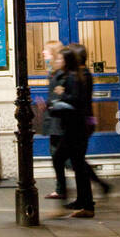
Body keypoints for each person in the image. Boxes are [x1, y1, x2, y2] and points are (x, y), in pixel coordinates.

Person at [48, 45, 94, 218]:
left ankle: (80, 201)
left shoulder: (75, 77)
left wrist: (61, 95)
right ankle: (84, 202)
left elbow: (76, 101)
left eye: (61, 58)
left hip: (75, 128)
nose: (57, 61)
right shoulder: (75, 75)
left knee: (61, 159)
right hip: (75, 127)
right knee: (78, 164)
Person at [72, 43, 111, 198]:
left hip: (83, 122)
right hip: (83, 121)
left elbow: (78, 100)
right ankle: (91, 191)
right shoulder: (80, 74)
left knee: (77, 160)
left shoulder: (83, 75)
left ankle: (88, 196)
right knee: (76, 159)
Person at [42, 41, 69, 201]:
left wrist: (51, 104)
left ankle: (90, 178)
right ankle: (61, 188)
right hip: (54, 121)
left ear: (53, 53)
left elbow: (60, 96)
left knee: (62, 157)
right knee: (57, 156)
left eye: (46, 51)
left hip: (60, 122)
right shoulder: (53, 72)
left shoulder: (61, 74)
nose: (43, 54)